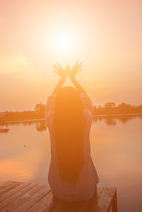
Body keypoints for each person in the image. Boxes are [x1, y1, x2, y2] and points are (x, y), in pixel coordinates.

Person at [45, 62, 99, 201]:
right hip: (85, 192)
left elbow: (50, 100)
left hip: (58, 192)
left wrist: (61, 81)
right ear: (77, 103)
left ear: (58, 104)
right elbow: (86, 99)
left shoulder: (52, 121)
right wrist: (73, 79)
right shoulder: (85, 119)